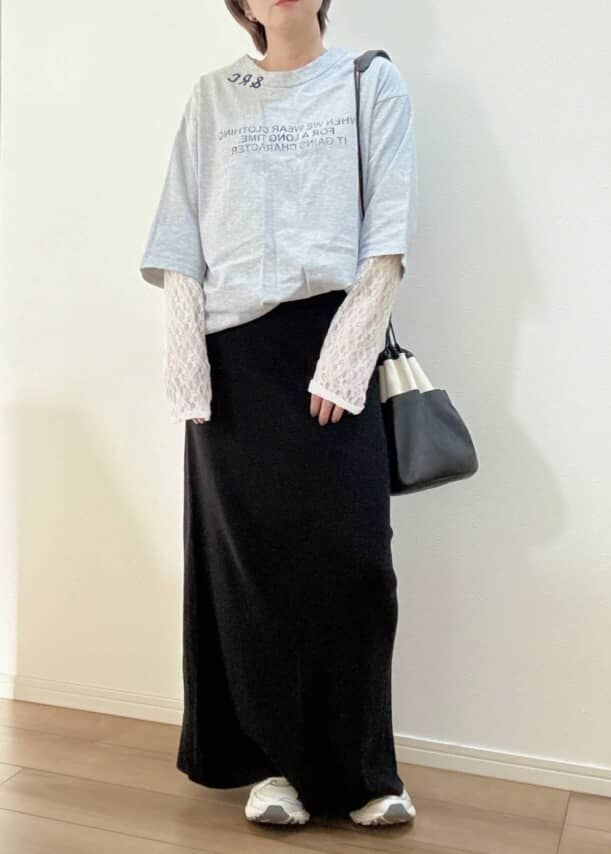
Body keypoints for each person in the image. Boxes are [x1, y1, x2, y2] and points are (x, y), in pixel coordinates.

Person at [139, 0, 418, 826]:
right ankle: (274, 770)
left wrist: (345, 358)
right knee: (250, 575)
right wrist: (188, 368)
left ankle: (366, 774)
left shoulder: (370, 83)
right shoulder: (212, 96)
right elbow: (180, 240)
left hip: (333, 342)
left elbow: (388, 236)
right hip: (231, 360)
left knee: (354, 565)